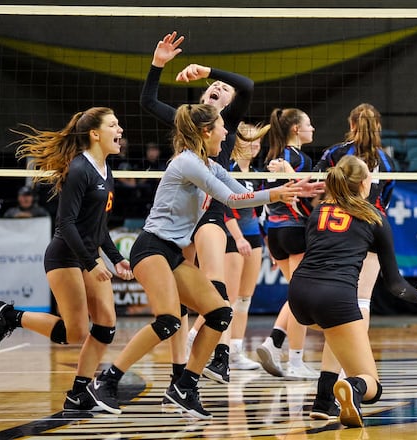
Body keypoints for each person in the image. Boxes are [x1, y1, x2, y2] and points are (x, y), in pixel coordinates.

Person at [86, 104, 312, 419]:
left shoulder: (209, 165)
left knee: (220, 312)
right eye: (222, 128)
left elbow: (241, 193)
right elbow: (232, 200)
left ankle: (184, 387)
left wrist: (292, 189)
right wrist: (276, 196)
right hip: (151, 248)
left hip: (173, 252)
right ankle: (107, 381)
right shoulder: (187, 163)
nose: (226, 134)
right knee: (168, 320)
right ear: (206, 132)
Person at [0, 107, 134, 411]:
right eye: (113, 125)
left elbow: (99, 226)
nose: (120, 131)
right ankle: (8, 316)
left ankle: (79, 393)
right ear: (95, 134)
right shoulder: (79, 169)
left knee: (105, 326)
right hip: (65, 256)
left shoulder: (106, 170)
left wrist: (117, 258)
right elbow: (65, 224)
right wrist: (92, 263)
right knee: (76, 331)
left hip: (88, 254)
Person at [139, 31, 254, 387]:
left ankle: (219, 354)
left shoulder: (227, 125)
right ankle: (181, 366)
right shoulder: (188, 124)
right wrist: (158, 65)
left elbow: (246, 85)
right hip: (181, 217)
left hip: (211, 215)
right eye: (212, 88)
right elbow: (148, 101)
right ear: (203, 102)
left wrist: (208, 70)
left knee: (216, 284)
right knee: (183, 300)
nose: (218, 88)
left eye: (223, 88)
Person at [288, 154, 417, 427]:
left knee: (336, 332)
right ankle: (352, 387)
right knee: (372, 386)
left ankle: (323, 401)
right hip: (333, 298)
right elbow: (395, 284)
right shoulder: (374, 217)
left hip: (298, 294)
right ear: (366, 183)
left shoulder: (319, 211)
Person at [186, 122, 267, 371]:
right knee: (226, 298)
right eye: (249, 140)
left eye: (257, 141)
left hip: (254, 236)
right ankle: (192, 338)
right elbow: (225, 207)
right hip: (232, 236)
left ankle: (236, 351)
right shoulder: (226, 168)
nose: (254, 145)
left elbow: (259, 209)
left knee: (244, 299)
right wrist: (238, 237)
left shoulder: (257, 171)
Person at [313, 103, 397, 331]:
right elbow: (387, 197)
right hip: (372, 227)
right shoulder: (387, 161)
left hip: (339, 228)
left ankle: (334, 359)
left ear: (351, 124)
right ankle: (356, 357)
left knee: (338, 295)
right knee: (362, 300)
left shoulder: (336, 153)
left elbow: (316, 182)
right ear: (378, 126)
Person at [255, 107, 320, 381]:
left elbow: (262, 199)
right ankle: (294, 360)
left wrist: (267, 239)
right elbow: (305, 194)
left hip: (275, 233)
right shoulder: (298, 158)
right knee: (301, 298)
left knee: (296, 296)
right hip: (295, 231)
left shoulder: (273, 157)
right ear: (296, 129)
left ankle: (273, 342)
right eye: (308, 124)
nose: (313, 128)